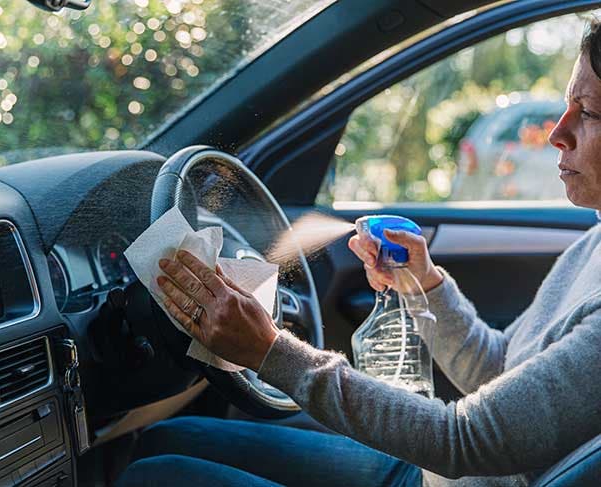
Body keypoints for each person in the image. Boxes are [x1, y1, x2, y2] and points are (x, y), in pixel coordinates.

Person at [116, 22, 601, 487]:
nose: (558, 132)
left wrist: (270, 350)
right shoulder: (595, 240)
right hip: (437, 476)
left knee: (151, 477)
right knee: (162, 438)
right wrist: (424, 284)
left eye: (590, 112)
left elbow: (464, 439)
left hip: (449, 472)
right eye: (567, 104)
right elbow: (501, 371)